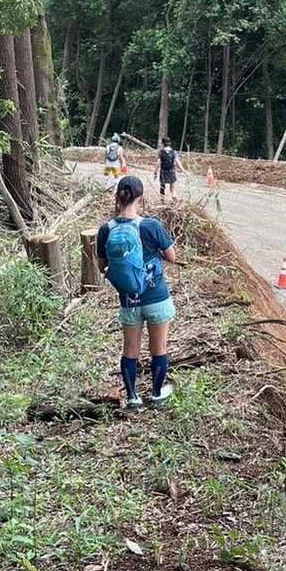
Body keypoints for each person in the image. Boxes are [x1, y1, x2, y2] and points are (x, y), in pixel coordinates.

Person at [97, 175, 177, 410]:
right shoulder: (151, 226)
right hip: (156, 297)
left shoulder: (106, 229)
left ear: (117, 197)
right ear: (141, 198)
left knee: (130, 350)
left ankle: (132, 397)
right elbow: (172, 257)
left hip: (129, 300)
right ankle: (156, 394)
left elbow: (102, 266)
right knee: (159, 349)